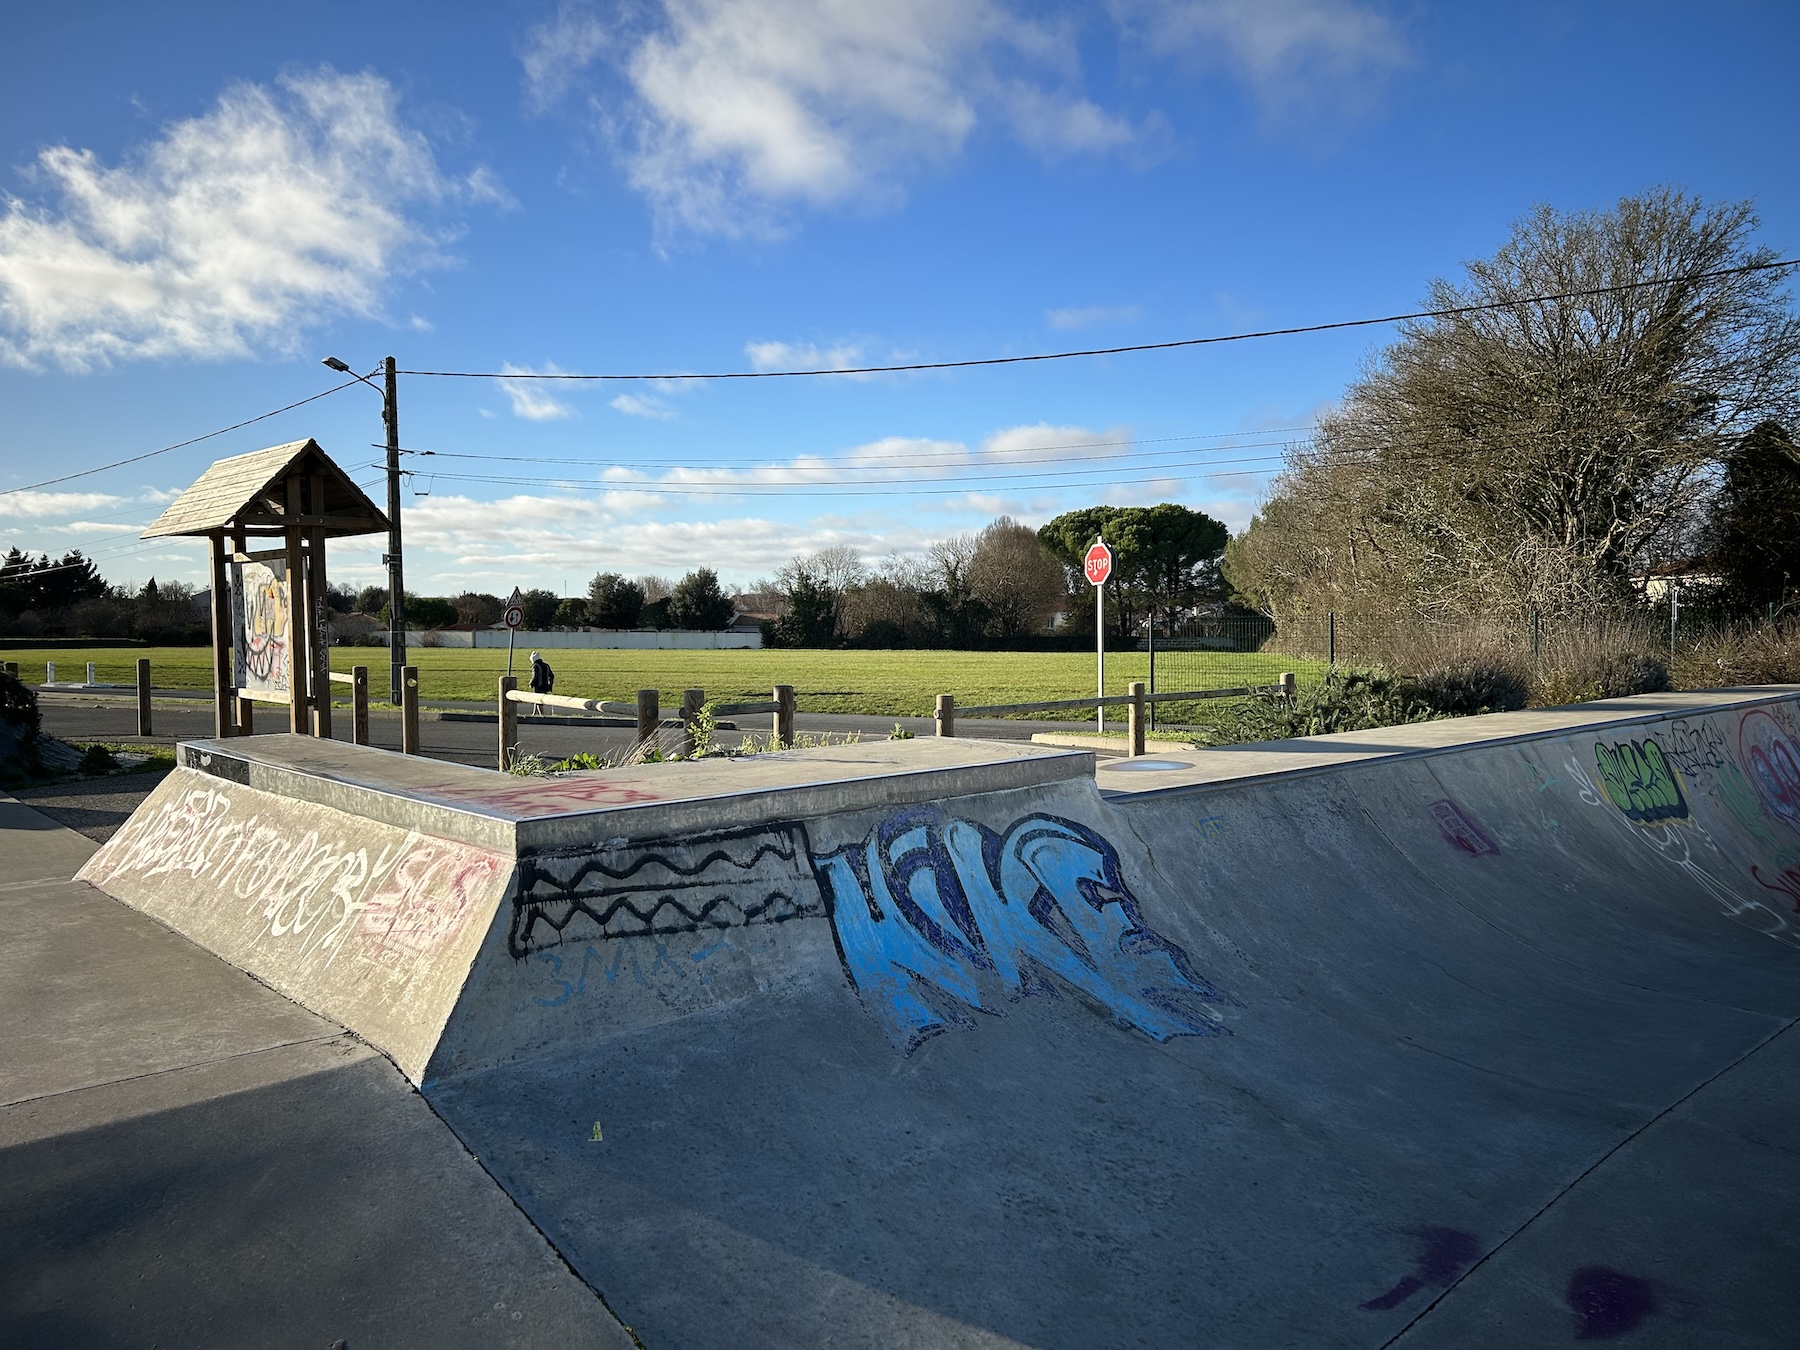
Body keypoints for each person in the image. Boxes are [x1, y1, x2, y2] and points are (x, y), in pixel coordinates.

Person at [528, 649, 555, 713]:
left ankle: (541, 714)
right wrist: (550, 685)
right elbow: (552, 675)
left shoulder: (535, 666)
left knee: (538, 700)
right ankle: (535, 712)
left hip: (538, 685)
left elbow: (535, 676)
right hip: (545, 686)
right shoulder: (546, 665)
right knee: (538, 700)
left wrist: (531, 683)